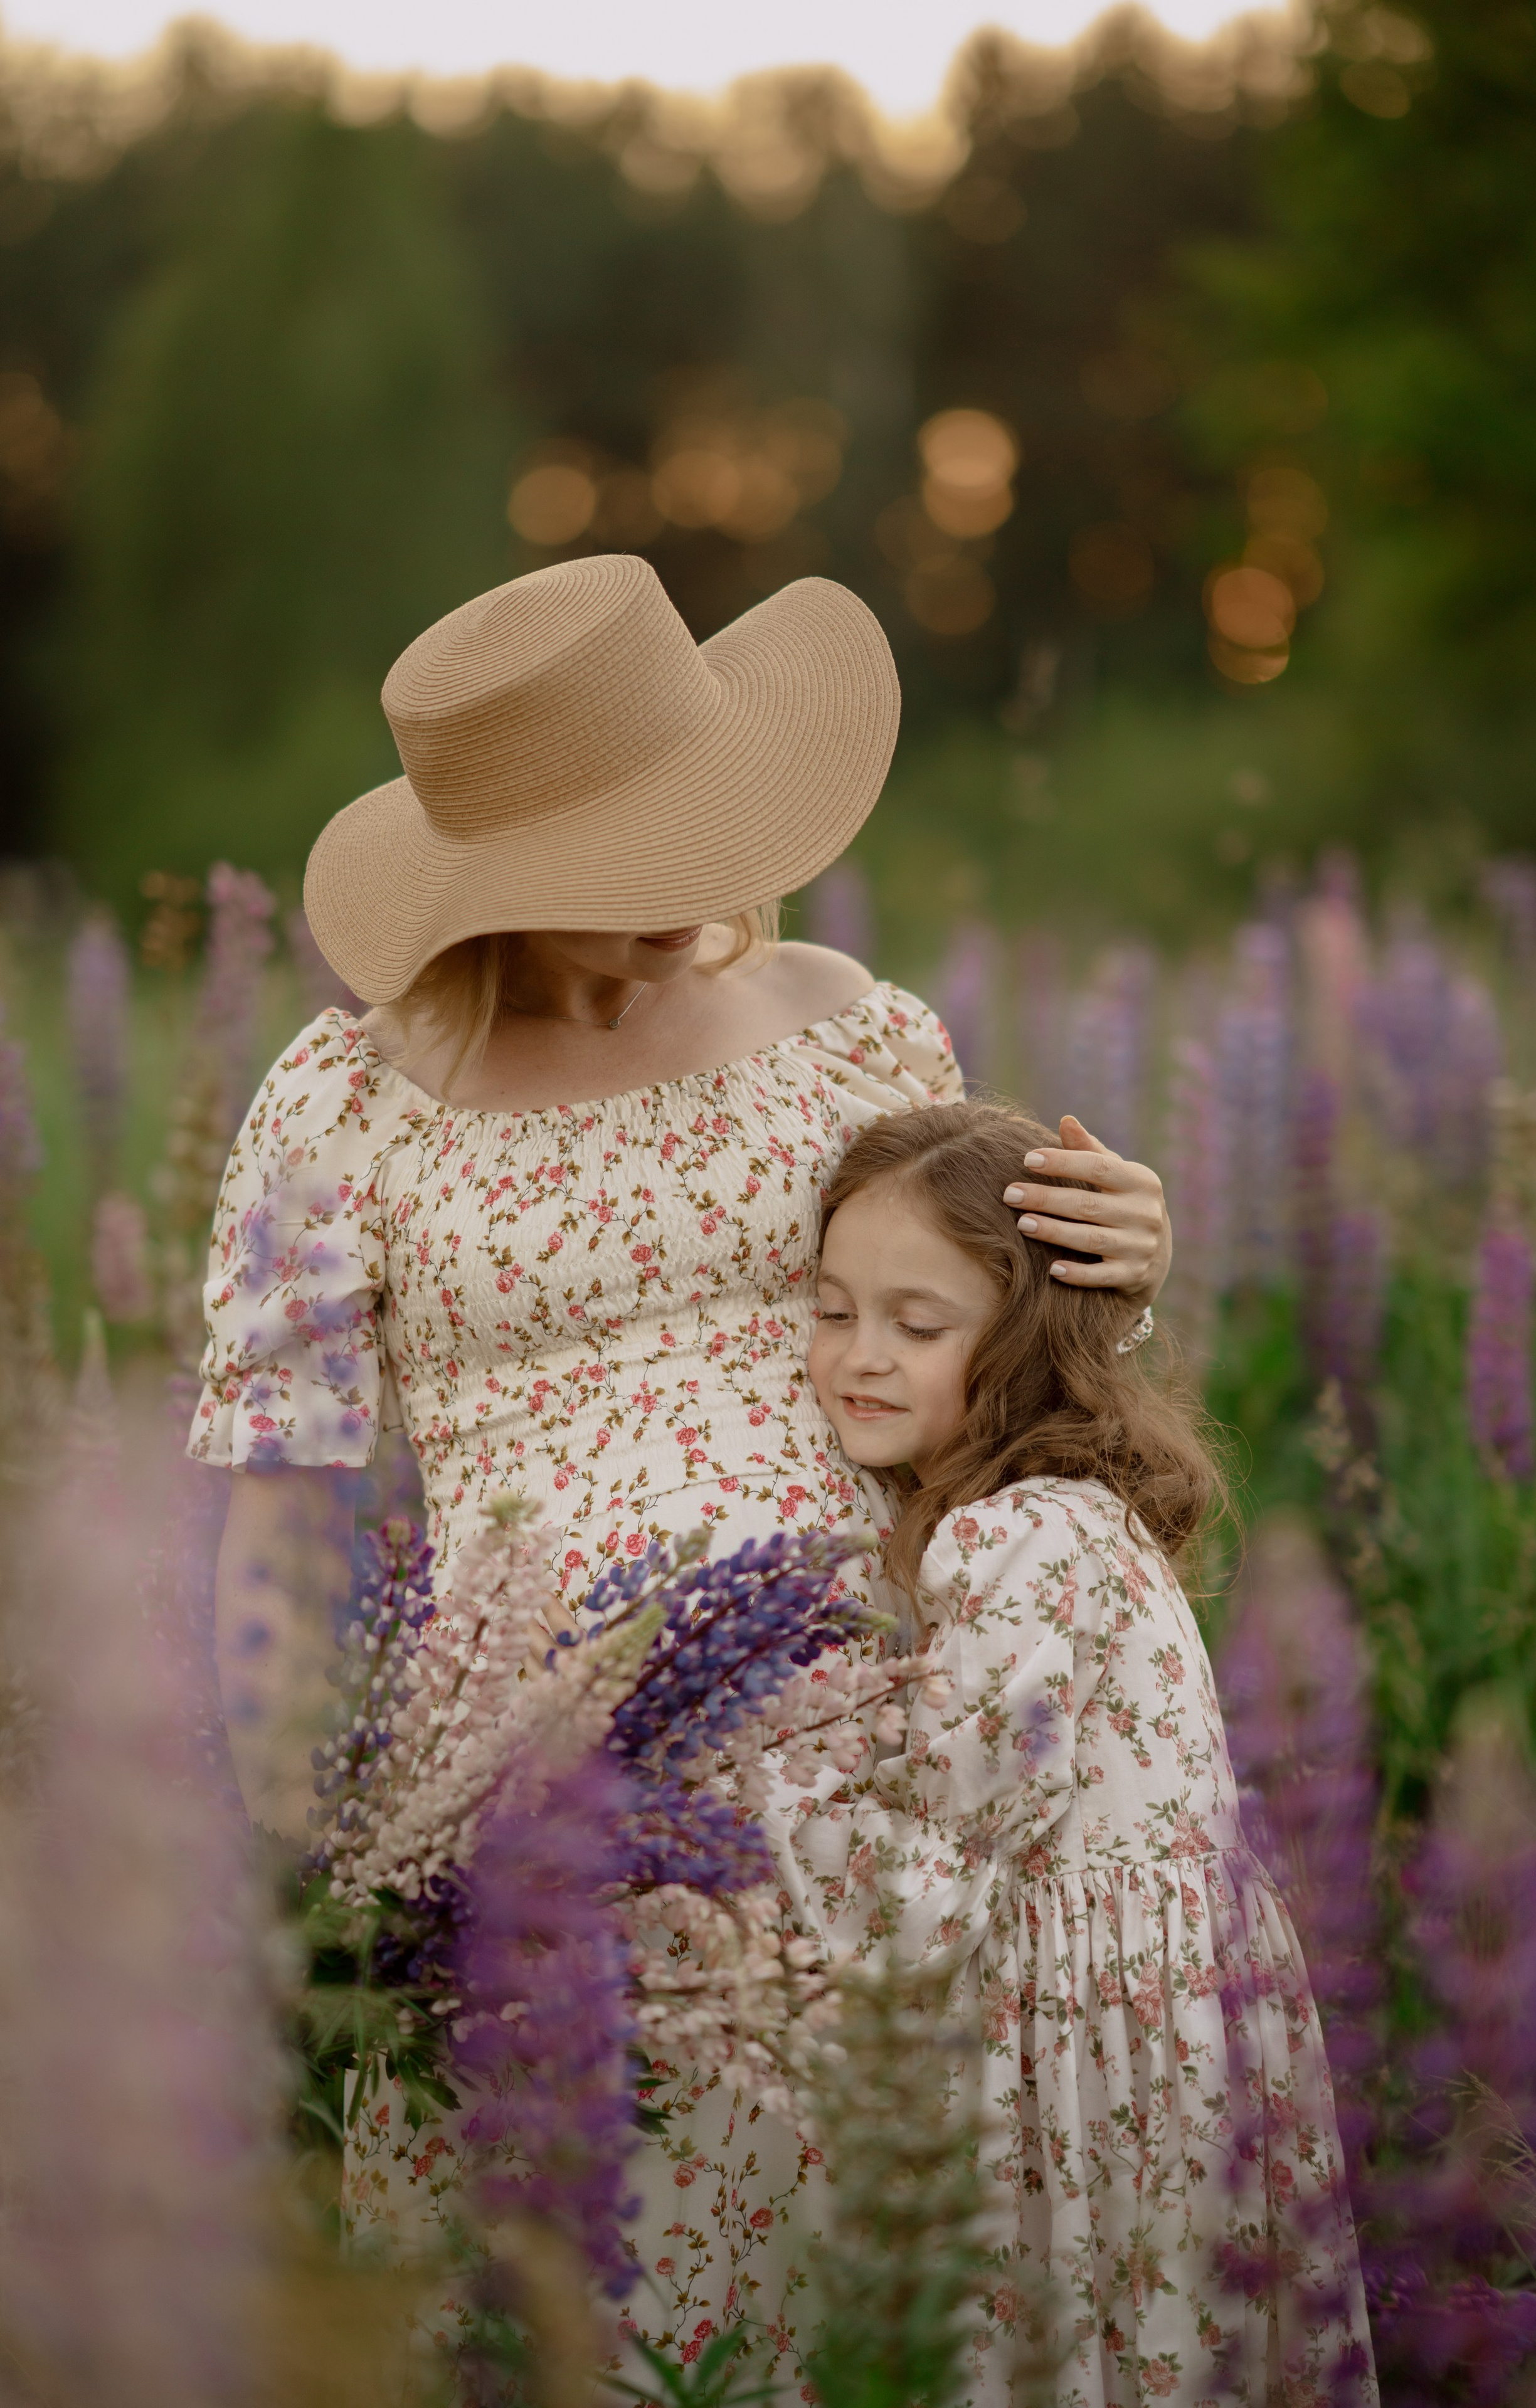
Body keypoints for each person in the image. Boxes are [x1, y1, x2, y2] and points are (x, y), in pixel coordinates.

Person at [189, 552, 1173, 2346]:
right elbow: (279, 1497)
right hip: (535, 1781)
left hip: (878, 1730)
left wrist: (1120, 1268)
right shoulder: (335, 1107)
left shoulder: (852, 1030)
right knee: (594, 2282)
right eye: (614, 868)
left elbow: (987, 1341)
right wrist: (298, 1852)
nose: (684, 896)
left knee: (880, 2260)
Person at [765, 1099, 1377, 2408]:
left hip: (1088, 2047)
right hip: (1168, 2026)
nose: (857, 1357)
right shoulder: (1066, 1514)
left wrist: (743, 1776)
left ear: (1026, 1341)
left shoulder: (1014, 1541)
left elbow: (934, 1863)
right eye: (828, 1310)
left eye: (917, 1325)